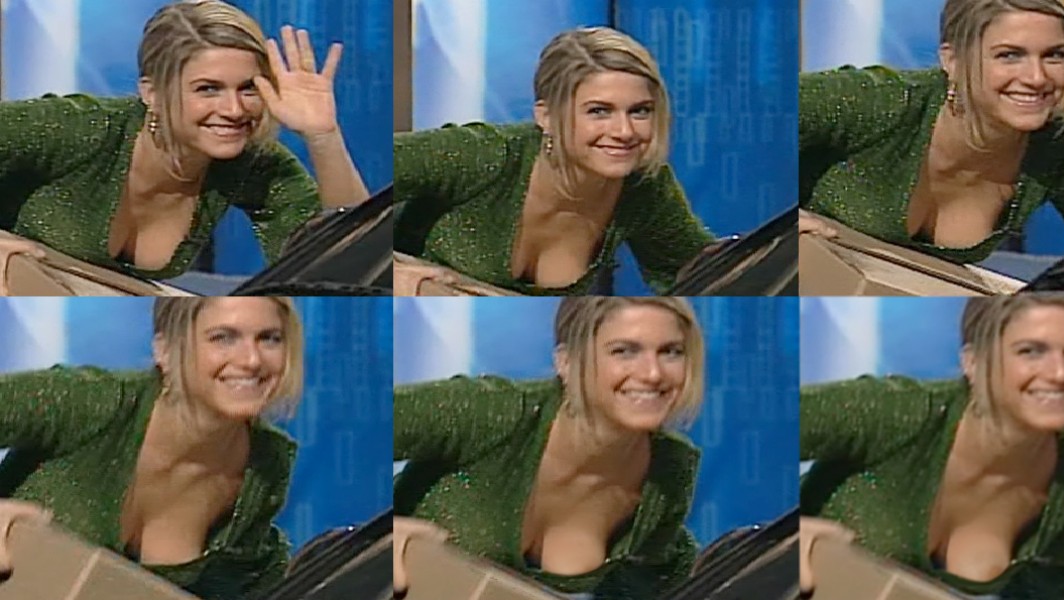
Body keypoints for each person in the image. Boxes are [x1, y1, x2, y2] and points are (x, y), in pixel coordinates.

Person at [0, 0, 370, 294]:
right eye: (208, 88)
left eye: (248, 88)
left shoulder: (255, 165)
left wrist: (324, 136)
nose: (234, 110)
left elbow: (350, 271)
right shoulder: (82, 128)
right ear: (152, 93)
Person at [799, 295, 1064, 598]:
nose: (1059, 373)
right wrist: (784, 536)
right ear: (973, 362)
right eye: (1030, 351)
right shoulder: (901, 412)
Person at [392, 297, 704, 598]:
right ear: (566, 362)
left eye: (670, 352)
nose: (653, 373)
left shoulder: (669, 471)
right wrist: (379, 536)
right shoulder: (494, 412)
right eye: (623, 351)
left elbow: (656, 577)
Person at [0, 297, 304, 599]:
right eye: (223, 338)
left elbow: (247, 577)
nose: (252, 360)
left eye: (269, 338)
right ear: (165, 350)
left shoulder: (265, 464)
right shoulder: (95, 402)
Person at [798, 0, 1064, 264]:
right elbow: (764, 111)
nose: (1036, 77)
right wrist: (771, 218)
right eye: (1009, 55)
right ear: (953, 60)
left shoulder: (1061, 145)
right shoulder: (881, 102)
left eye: (1054, 55)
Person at [393, 27, 716, 296]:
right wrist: (392, 272)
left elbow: (703, 275)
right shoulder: (485, 154)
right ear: (546, 115)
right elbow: (368, 185)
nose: (624, 131)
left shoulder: (643, 185)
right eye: (599, 111)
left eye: (639, 111)